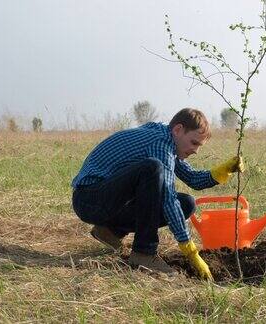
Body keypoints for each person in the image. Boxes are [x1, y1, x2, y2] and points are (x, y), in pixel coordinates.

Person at [71, 108, 244, 280]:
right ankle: (144, 254)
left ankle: (110, 232)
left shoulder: (168, 138)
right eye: (194, 143)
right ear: (178, 130)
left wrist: (224, 170)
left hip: (107, 200)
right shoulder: (160, 143)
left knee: (187, 203)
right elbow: (168, 198)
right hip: (89, 200)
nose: (196, 150)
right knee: (153, 168)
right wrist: (190, 251)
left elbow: (192, 179)